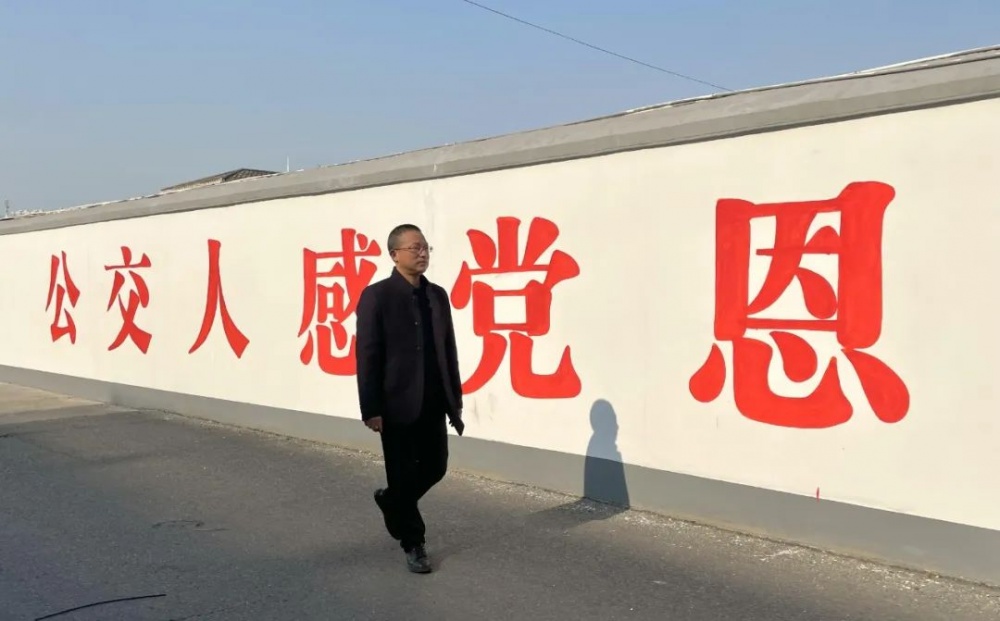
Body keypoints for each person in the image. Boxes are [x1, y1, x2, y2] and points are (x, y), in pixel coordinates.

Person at [354, 223, 465, 574]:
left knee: (436, 467)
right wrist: (371, 408)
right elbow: (367, 355)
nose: (422, 253)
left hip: (433, 400)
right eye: (414, 248)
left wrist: (455, 398)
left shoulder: (437, 296)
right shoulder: (377, 296)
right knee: (402, 474)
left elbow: (448, 349)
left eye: (425, 247)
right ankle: (413, 542)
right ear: (394, 254)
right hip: (395, 405)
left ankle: (391, 501)